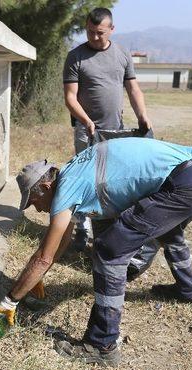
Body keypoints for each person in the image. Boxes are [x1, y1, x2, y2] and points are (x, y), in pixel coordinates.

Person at [0, 137, 192, 366]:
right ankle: (188, 289)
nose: (38, 210)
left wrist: (9, 301)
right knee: (169, 232)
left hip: (183, 184)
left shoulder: (67, 188)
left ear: (45, 186)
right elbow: (60, 242)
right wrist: (37, 277)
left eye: (35, 202)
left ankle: (102, 345)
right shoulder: (75, 171)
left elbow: (44, 256)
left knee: (108, 251)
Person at [63, 7, 152, 251]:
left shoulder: (122, 54)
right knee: (85, 179)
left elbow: (133, 90)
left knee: (112, 180)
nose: (93, 37)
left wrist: (143, 116)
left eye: (99, 33)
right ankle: (82, 227)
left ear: (112, 29)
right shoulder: (75, 57)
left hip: (116, 130)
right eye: (90, 32)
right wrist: (87, 121)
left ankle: (111, 228)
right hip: (86, 130)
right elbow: (70, 97)